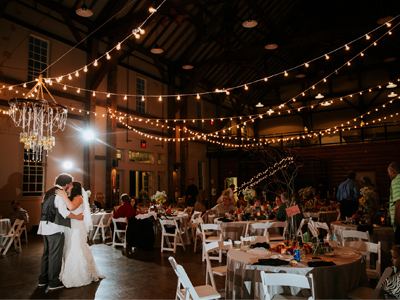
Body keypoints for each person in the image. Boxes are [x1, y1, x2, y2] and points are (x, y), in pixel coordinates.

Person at [37, 173, 84, 291]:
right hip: (55, 227)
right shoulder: (59, 194)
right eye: (71, 184)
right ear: (67, 184)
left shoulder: (48, 192)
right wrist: (77, 217)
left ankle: (43, 280)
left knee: (46, 254)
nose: (71, 186)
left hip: (44, 226)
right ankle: (53, 282)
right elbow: (65, 213)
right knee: (55, 255)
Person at [56, 181, 105, 288]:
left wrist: (63, 195)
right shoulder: (74, 197)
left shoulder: (78, 197)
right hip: (73, 225)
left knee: (75, 247)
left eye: (70, 186)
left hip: (77, 227)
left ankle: (78, 276)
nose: (68, 188)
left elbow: (72, 207)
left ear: (75, 188)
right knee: (71, 247)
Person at [388, 162, 400, 245]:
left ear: (392, 171)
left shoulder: (395, 181)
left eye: (388, 172)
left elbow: (399, 201)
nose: (388, 175)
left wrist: (396, 220)